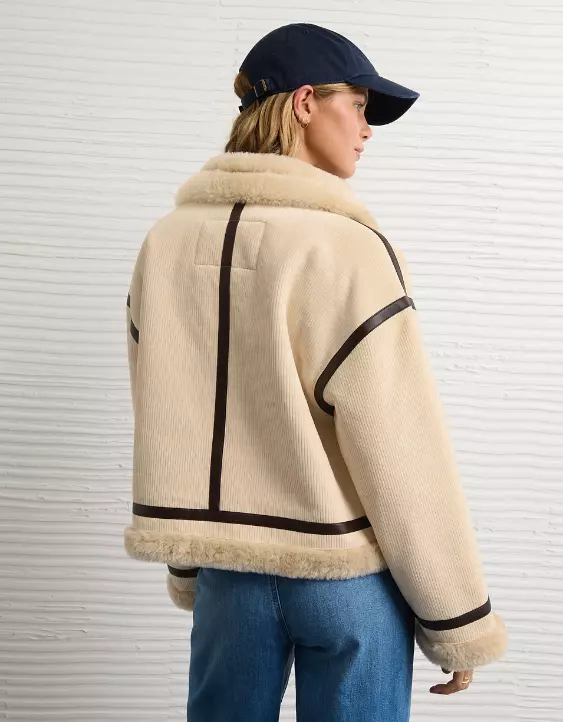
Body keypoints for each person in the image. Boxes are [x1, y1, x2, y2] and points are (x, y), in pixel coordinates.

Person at [124, 22, 508, 721]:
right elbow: (401, 446)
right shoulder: (346, 246)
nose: (367, 129)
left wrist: (190, 558)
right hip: (343, 578)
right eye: (357, 105)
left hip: (228, 579)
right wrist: (456, 618)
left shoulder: (165, 242)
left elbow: (167, 412)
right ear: (305, 103)